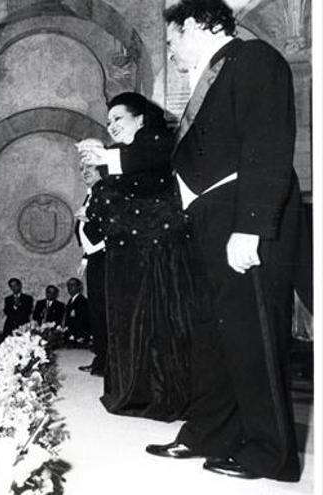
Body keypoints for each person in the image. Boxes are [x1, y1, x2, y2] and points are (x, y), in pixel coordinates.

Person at [145, 1, 302, 481]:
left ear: (194, 25)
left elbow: (268, 143)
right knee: (215, 334)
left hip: (242, 214)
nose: (170, 54)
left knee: (253, 335)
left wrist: (251, 226)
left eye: (171, 42)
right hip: (212, 217)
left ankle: (268, 452)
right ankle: (208, 432)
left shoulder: (255, 60)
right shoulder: (214, 73)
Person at [79, 91, 196, 422]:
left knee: (155, 324)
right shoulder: (123, 154)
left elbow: (145, 178)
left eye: (118, 118)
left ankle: (154, 394)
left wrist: (104, 171)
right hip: (130, 254)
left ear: (141, 118)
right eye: (108, 122)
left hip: (155, 254)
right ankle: (134, 391)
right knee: (129, 323)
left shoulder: (155, 142)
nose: (112, 126)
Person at [74, 163, 108, 377]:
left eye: (90, 167)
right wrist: (86, 258)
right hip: (95, 258)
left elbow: (111, 225)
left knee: (103, 311)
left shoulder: (106, 191)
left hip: (106, 258)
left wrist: (93, 217)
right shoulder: (92, 193)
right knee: (97, 312)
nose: (84, 171)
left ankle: (107, 363)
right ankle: (101, 360)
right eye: (81, 168)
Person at [62, 278, 90, 348]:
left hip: (79, 336)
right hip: (72, 335)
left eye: (72, 285)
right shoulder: (71, 300)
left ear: (79, 287)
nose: (69, 287)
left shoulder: (81, 300)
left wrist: (79, 335)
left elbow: (82, 319)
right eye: (68, 285)